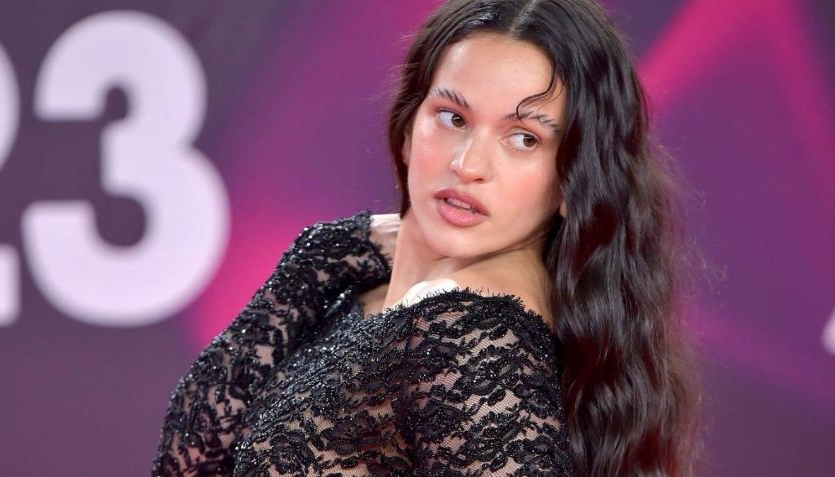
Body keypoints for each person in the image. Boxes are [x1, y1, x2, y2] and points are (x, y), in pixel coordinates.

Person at [152, 0, 702, 475]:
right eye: (453, 117)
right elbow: (191, 460)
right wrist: (326, 254)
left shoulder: (473, 332)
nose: (468, 164)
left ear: (572, 181)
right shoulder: (373, 289)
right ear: (409, 126)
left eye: (523, 138)